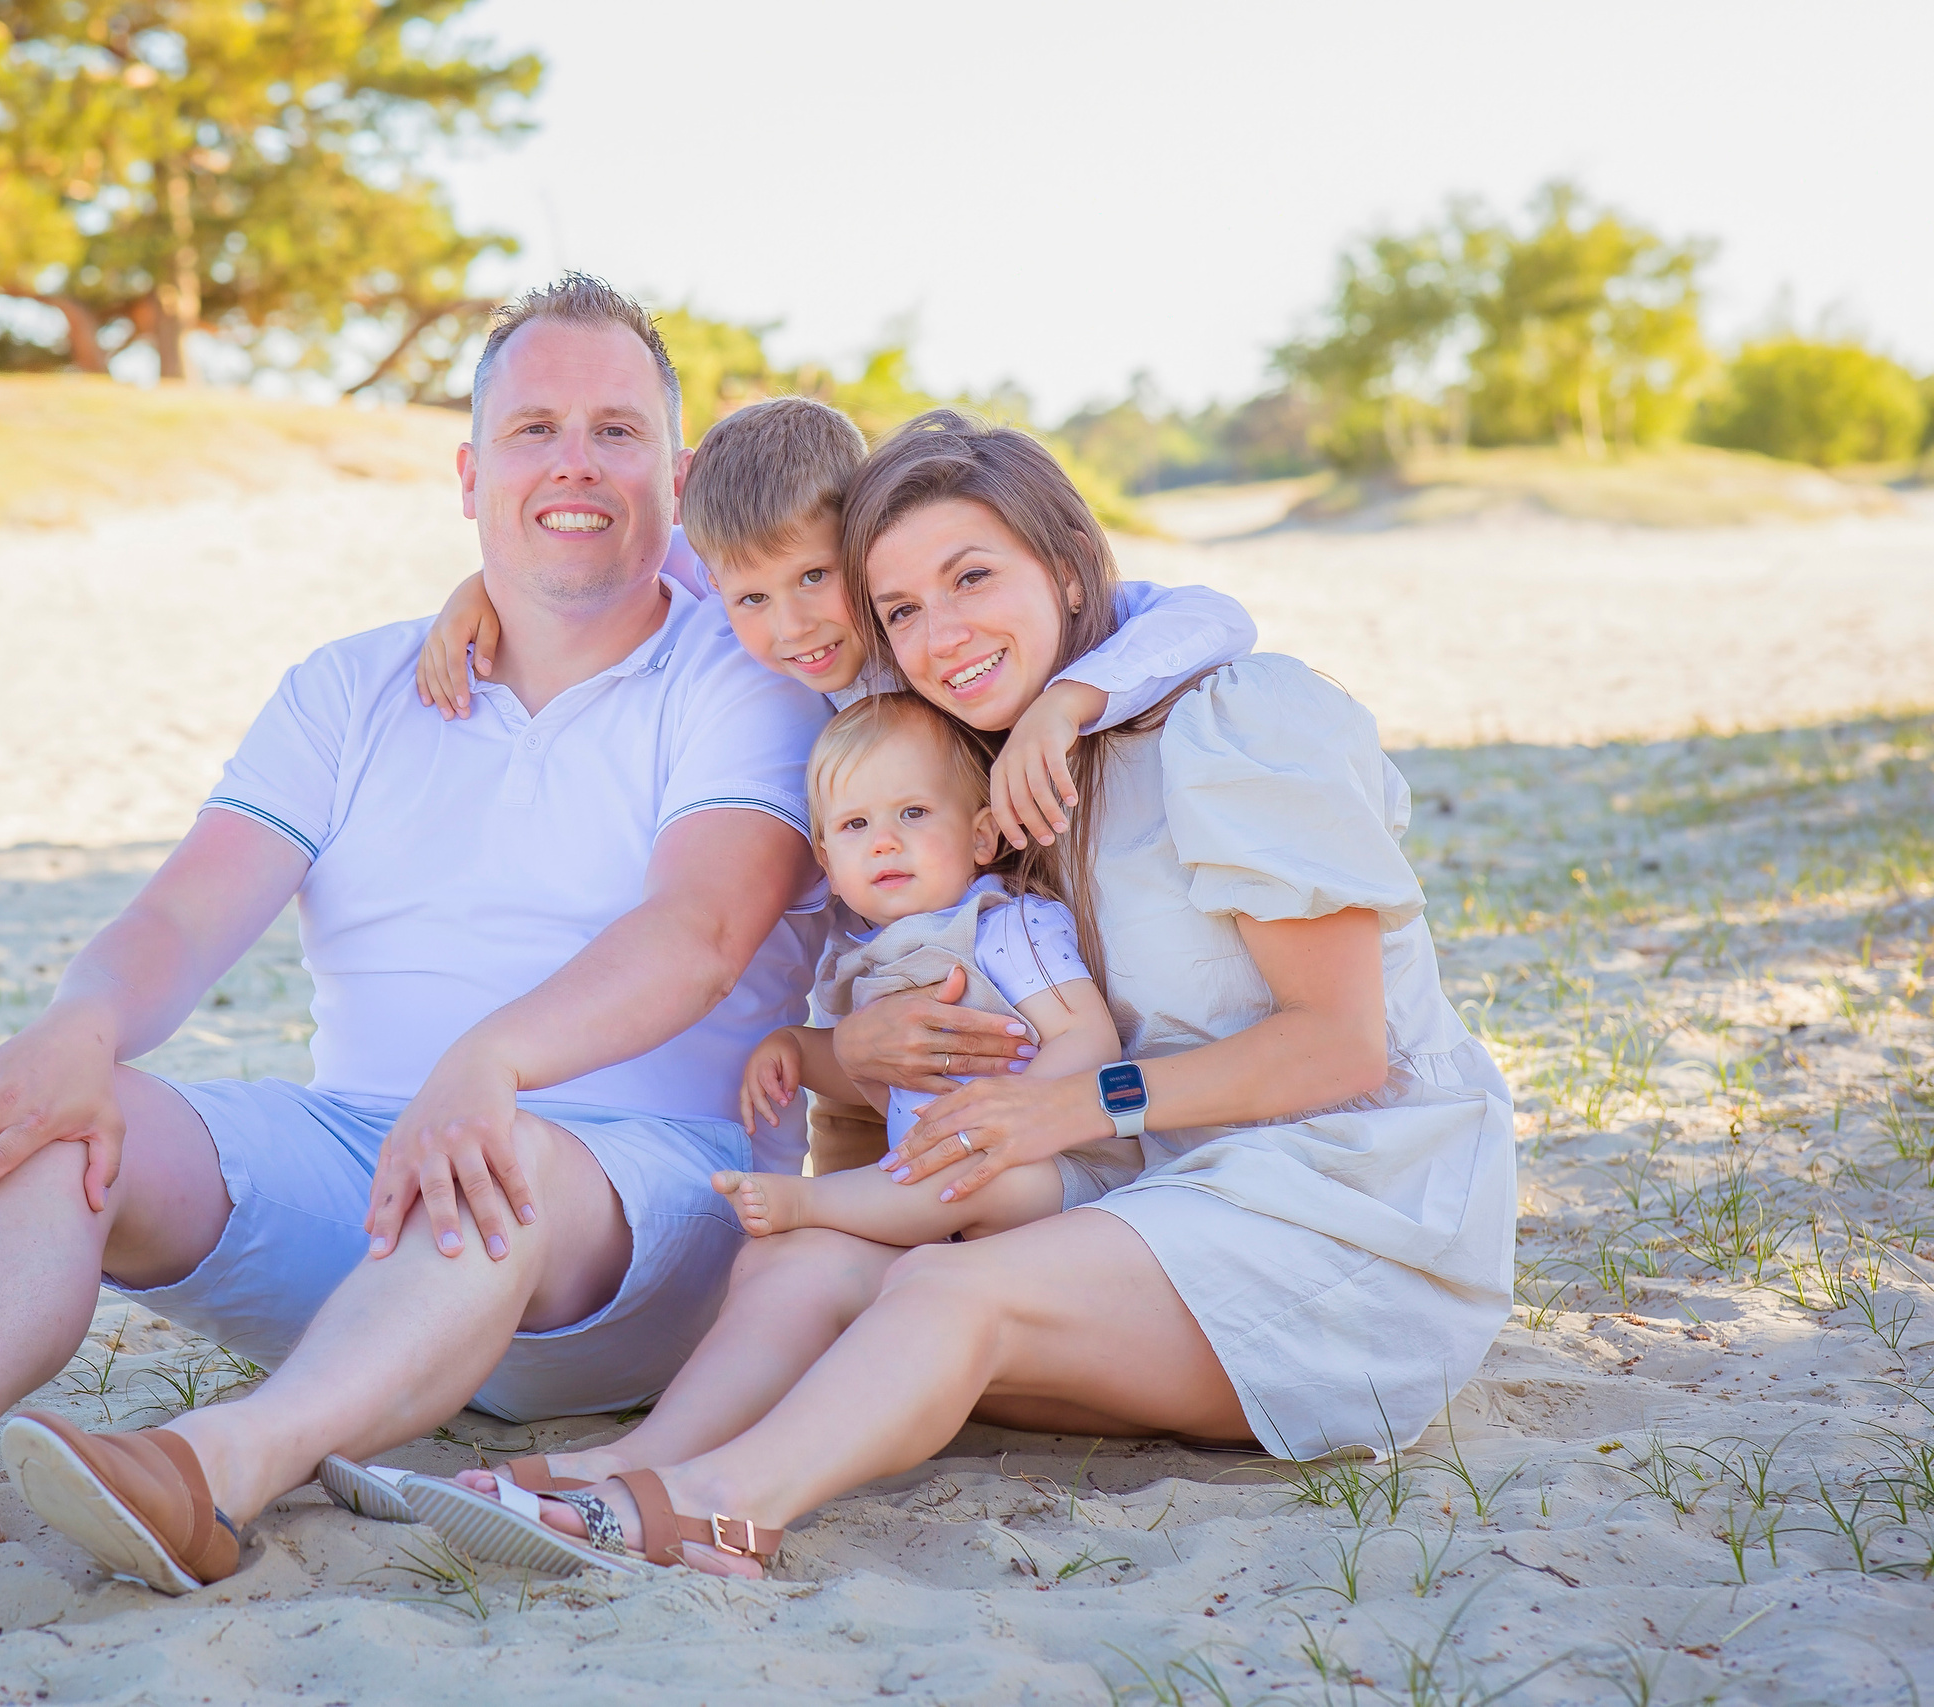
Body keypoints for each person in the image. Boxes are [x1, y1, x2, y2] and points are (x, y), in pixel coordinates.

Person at [0, 273, 839, 1592]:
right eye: (535, 429)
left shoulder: (746, 670)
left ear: (680, 473)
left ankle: (219, 1467)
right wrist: (79, 1026)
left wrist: (489, 1062)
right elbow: (188, 910)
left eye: (616, 430)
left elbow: (700, 926)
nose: (573, 463)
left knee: (495, 1152)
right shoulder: (351, 684)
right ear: (470, 469)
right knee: (79, 1104)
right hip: (371, 1178)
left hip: (641, 1209)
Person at [393, 410, 1516, 1579]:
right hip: (1137, 1194)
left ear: (1071, 566)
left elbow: (1339, 1050)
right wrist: (485, 591)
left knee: (942, 1286)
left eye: (971, 576)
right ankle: (633, 1464)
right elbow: (719, 560)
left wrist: (1066, 1108)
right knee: (800, 1263)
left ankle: (720, 1506)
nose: (940, 632)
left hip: (1343, 1216)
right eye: (902, 609)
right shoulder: (966, 765)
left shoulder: (1237, 720)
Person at [418, 394, 1260, 1175]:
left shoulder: (939, 632)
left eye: (818, 579)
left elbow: (1211, 616)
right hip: (868, 1003)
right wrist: (482, 590)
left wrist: (1062, 708)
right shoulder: (742, 587)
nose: (793, 627)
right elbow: (631, 565)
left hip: (1017, 974)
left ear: (862, 546)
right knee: (854, 1207)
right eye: (751, 598)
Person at [712, 691, 1133, 1247]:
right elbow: (883, 1077)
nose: (884, 842)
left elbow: (1087, 1036)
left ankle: (811, 1200)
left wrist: (1008, 1111)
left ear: (981, 836)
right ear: (828, 866)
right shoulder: (864, 961)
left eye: (913, 813)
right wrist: (798, 1049)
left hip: (1061, 1168)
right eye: (855, 824)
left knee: (972, 1179)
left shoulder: (1003, 926)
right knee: (947, 1181)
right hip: (948, 1191)